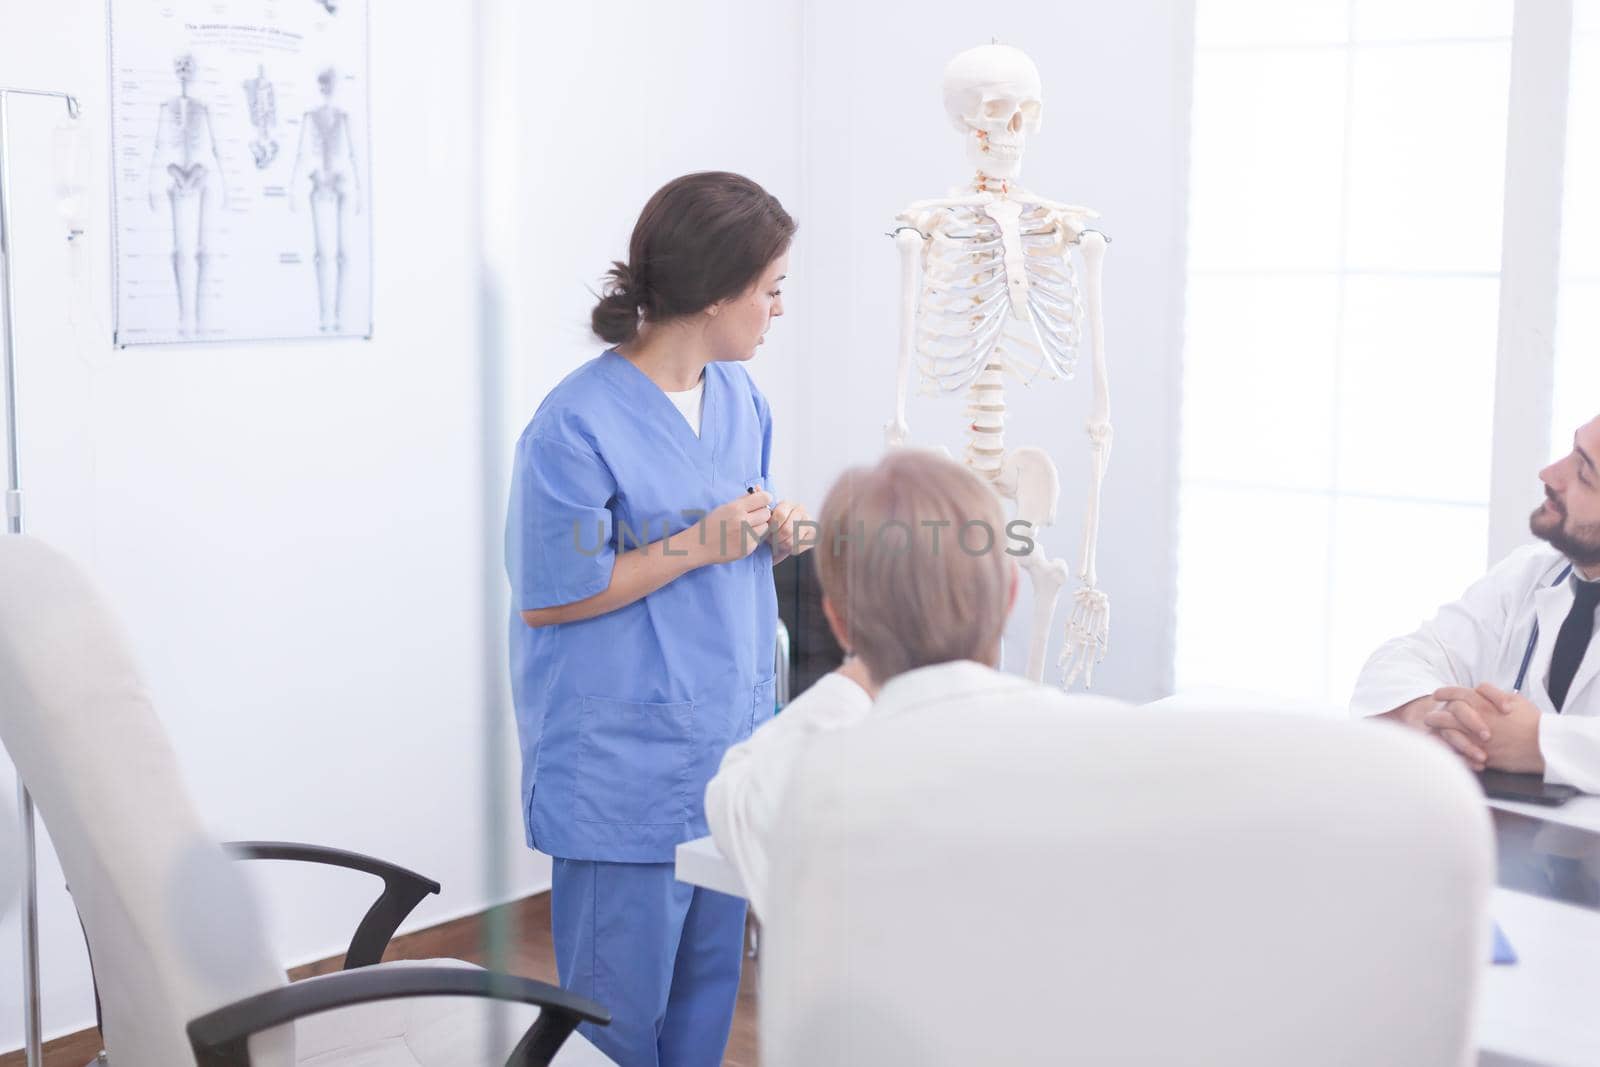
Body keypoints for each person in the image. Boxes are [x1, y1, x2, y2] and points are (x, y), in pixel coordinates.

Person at [505, 172, 810, 1067]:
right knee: (615, 1031)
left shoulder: (740, 399)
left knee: (705, 1009)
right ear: (719, 293)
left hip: (723, 758)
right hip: (623, 776)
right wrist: (703, 543)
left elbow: (727, 526)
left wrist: (770, 531)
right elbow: (551, 593)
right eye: (772, 288)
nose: (779, 309)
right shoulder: (572, 428)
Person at [705, 448, 1126, 916]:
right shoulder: (1107, 753)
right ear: (1010, 594)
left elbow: (733, 791)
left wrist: (854, 672)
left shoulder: (792, 782)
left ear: (839, 623)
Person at [1352, 415, 1600, 792]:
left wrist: (1539, 743)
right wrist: (1438, 716)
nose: (1550, 474)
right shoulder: (1527, 576)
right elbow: (1399, 661)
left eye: (1584, 473)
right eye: (1570, 450)